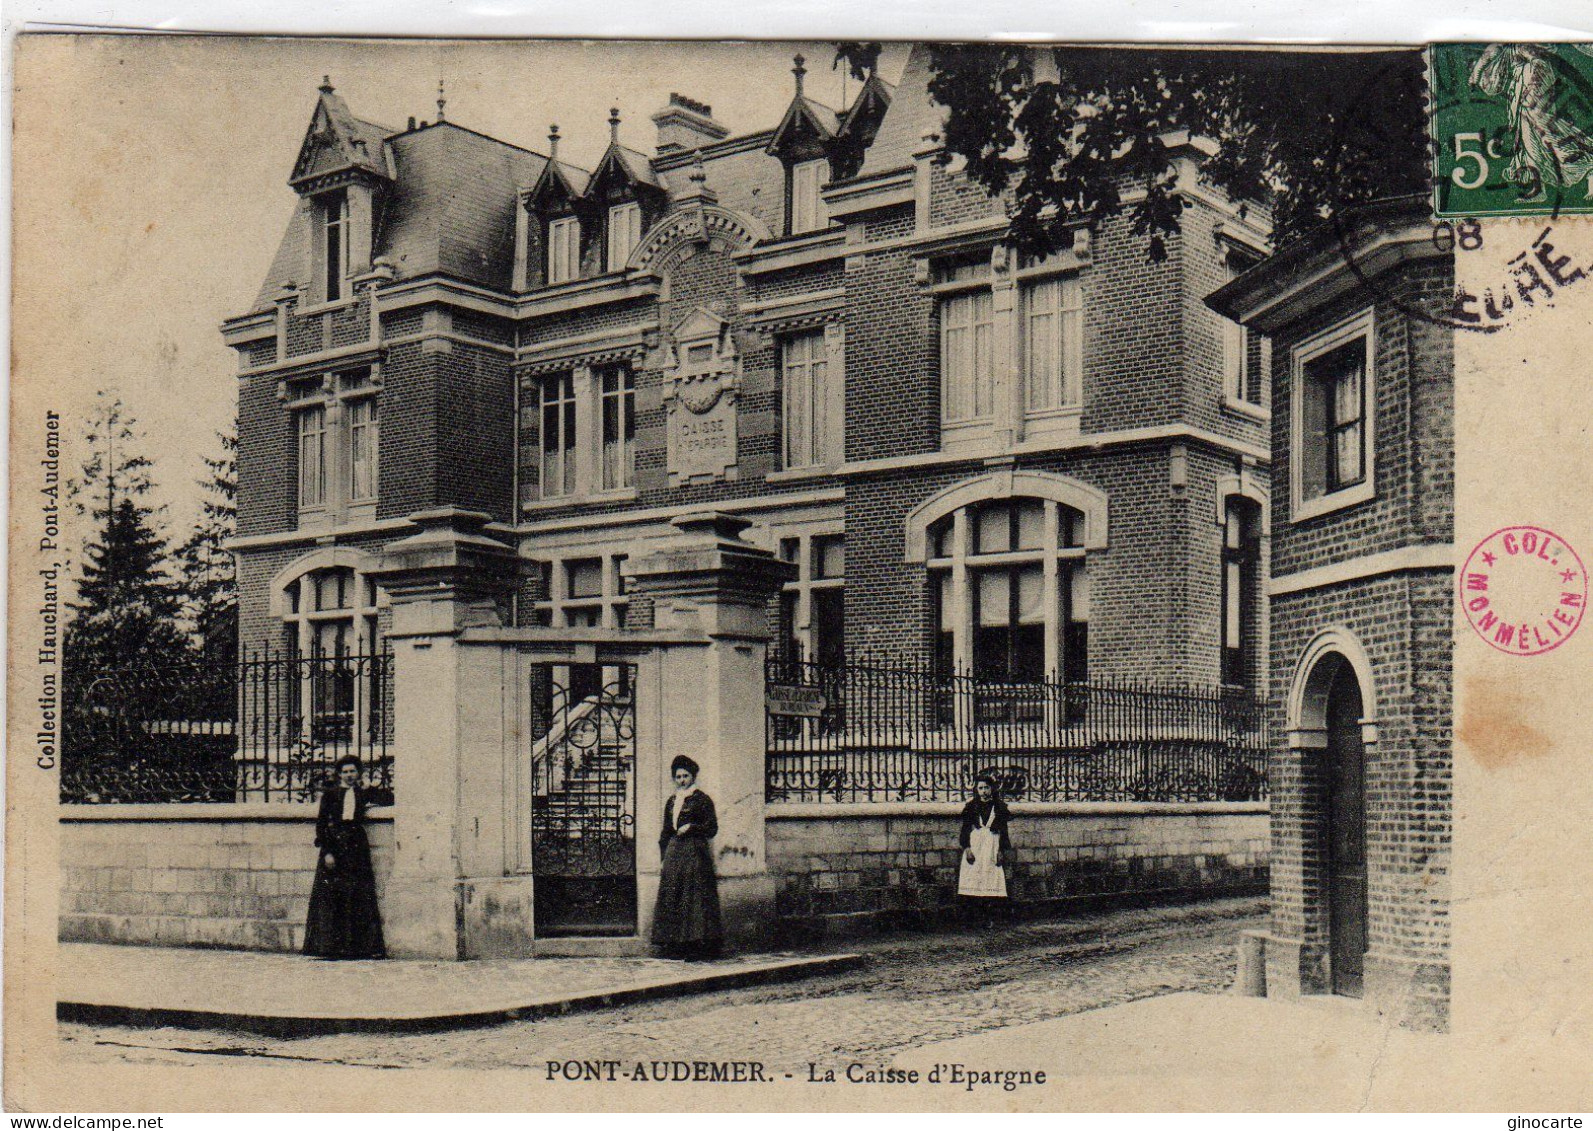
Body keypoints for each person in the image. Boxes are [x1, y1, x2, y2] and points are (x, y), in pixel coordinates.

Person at [303, 755, 386, 959]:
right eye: (345, 771)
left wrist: (370, 787)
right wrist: (328, 852)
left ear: (359, 774)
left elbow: (387, 798)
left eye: (353, 771)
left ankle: (357, 948)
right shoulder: (330, 795)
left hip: (356, 847)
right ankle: (331, 947)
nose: (349, 775)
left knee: (357, 893)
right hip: (335, 845)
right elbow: (322, 824)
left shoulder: (361, 793)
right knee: (333, 895)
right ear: (339, 774)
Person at [652, 754, 723, 960]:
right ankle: (676, 945)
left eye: (685, 776)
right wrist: (663, 856)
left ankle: (697, 945)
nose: (682, 780)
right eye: (678, 777)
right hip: (675, 852)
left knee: (694, 897)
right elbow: (666, 830)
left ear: (693, 776)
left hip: (695, 851)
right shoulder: (672, 801)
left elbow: (712, 828)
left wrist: (692, 827)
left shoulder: (702, 800)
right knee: (674, 895)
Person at [957, 773, 1013, 926]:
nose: (984, 791)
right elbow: (965, 829)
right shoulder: (971, 806)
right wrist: (967, 849)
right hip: (975, 845)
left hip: (992, 845)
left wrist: (1001, 851)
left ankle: (990, 918)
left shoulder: (999, 807)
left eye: (986, 787)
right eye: (980, 788)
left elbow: (1004, 830)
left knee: (991, 879)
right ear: (976, 789)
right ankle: (974, 918)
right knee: (973, 878)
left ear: (992, 788)